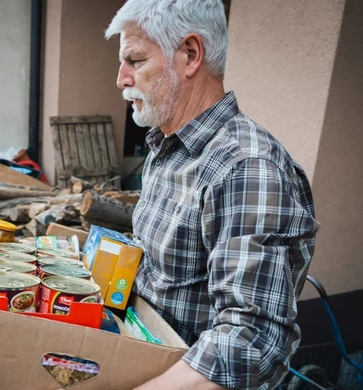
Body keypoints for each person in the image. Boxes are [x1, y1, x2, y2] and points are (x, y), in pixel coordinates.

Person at [104, 1, 320, 389]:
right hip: (144, 358)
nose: (121, 79)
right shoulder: (166, 146)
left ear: (189, 55)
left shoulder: (246, 167)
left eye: (134, 60)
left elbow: (251, 341)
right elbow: (159, 274)